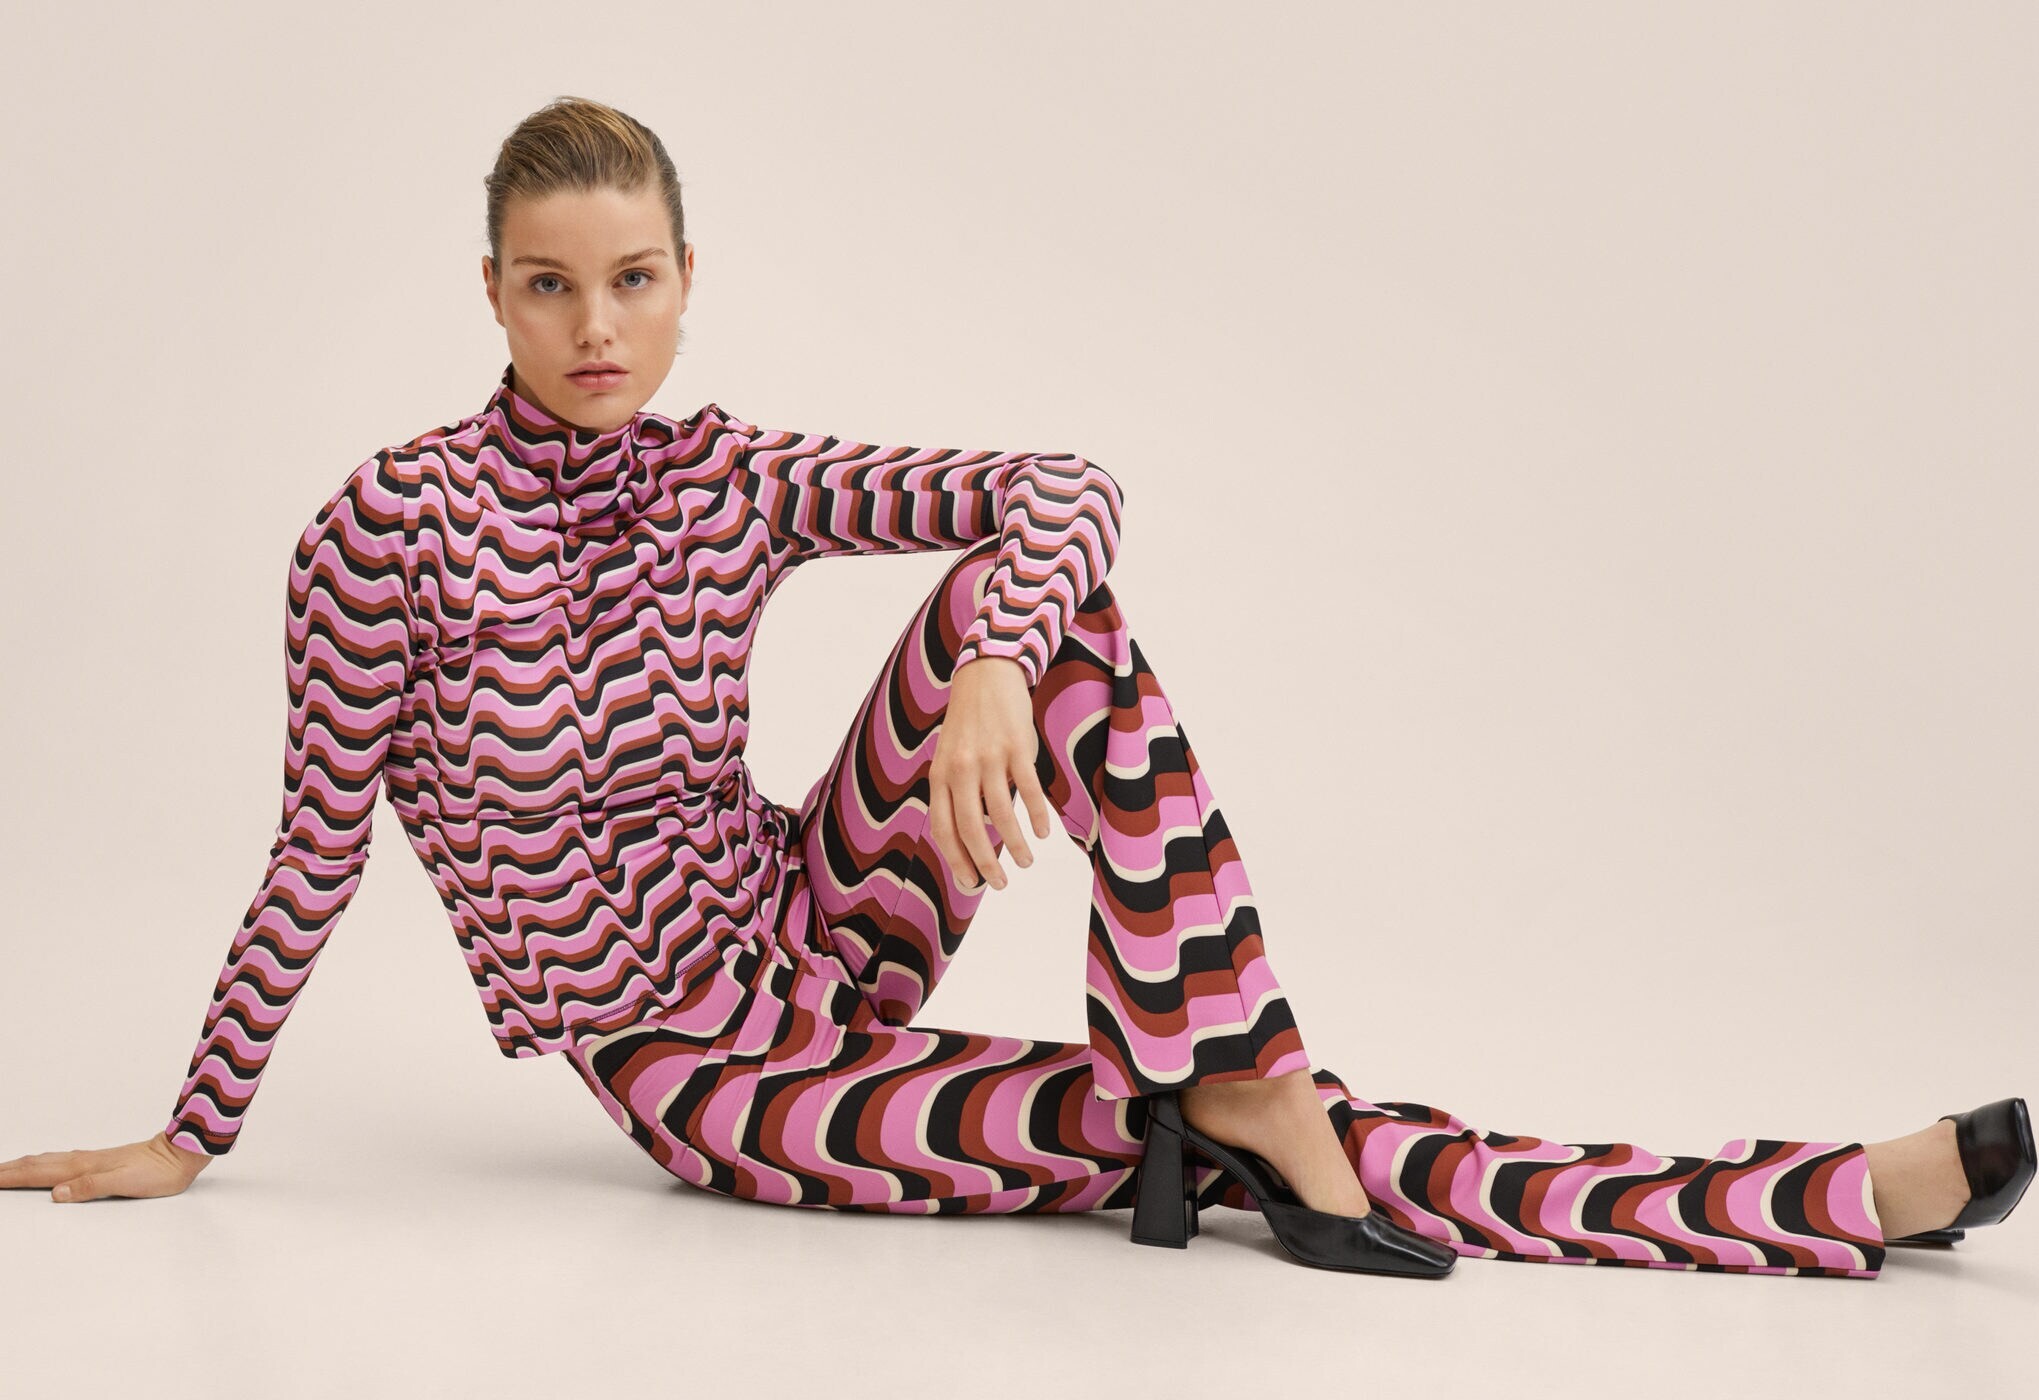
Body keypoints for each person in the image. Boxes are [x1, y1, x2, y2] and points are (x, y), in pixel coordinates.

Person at [4, 97, 2029, 1279]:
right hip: (705, 1069)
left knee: (1042, 597)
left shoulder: (737, 476)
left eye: (633, 278)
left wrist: (990, 656)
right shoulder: (386, 528)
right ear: (491, 293)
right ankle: (1805, 1198)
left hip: (817, 922)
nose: (596, 325)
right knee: (1187, 1124)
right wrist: (194, 1132)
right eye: (550, 283)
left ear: (689, 279)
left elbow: (1064, 486)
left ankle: (1234, 1074)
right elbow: (316, 847)